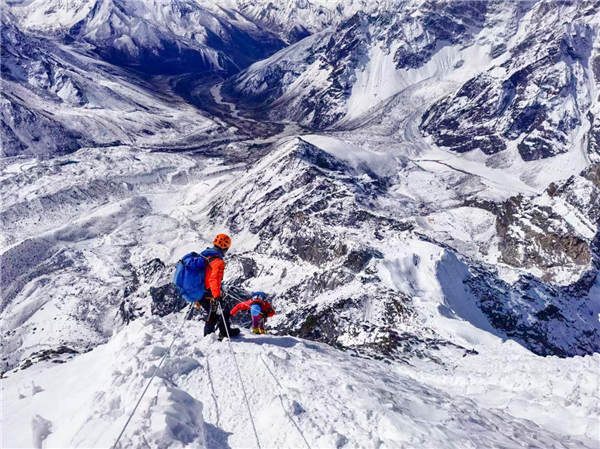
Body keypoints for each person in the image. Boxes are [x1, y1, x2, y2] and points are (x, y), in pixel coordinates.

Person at [196, 234, 240, 338]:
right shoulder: (218, 261)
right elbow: (214, 279)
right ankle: (211, 336)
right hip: (208, 292)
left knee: (219, 311)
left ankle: (222, 332)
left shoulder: (204, 255)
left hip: (199, 289)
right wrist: (216, 296)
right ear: (225, 248)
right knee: (215, 313)